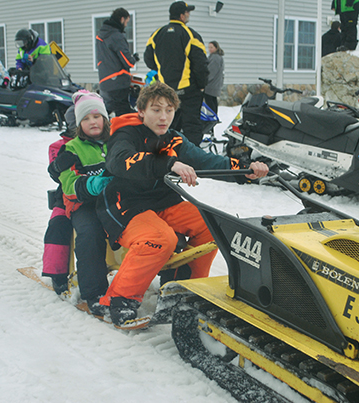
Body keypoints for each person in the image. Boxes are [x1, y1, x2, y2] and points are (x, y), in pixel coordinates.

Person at [96, 82, 269, 327]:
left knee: (213, 226)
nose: (163, 116)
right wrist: (168, 164)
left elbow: (207, 160)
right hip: (125, 204)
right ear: (142, 111)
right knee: (160, 240)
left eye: (169, 110)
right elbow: (121, 161)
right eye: (156, 110)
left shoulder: (174, 140)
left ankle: (183, 290)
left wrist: (244, 170)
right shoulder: (125, 135)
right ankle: (120, 300)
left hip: (163, 202)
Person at [56, 90, 113, 317]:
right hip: (84, 205)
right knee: (90, 234)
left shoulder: (116, 142)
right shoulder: (71, 149)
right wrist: (91, 185)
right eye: (86, 119)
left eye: (97, 116)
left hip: (116, 200)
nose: (93, 122)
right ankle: (95, 293)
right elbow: (68, 184)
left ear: (105, 119)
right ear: (79, 124)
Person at [144, 1, 209, 147]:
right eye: (187, 12)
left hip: (165, 90)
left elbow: (148, 59)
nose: (188, 15)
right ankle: (191, 159)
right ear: (182, 15)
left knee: (167, 124)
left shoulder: (156, 35)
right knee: (191, 126)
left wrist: (162, 69)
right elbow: (201, 63)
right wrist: (201, 85)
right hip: (189, 90)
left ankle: (167, 156)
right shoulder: (190, 34)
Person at [42, 106, 77, 295]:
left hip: (100, 195)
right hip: (66, 196)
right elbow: (56, 174)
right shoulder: (58, 146)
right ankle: (57, 273)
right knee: (58, 225)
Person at [95, 7, 139, 116]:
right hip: (118, 82)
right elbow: (128, 62)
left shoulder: (101, 35)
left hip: (105, 82)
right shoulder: (116, 36)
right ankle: (122, 132)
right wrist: (134, 58)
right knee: (124, 113)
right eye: (126, 22)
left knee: (106, 112)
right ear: (122, 19)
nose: (126, 25)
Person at [204, 41, 224, 117]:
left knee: (210, 104)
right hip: (214, 85)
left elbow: (211, 72)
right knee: (213, 101)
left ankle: (212, 118)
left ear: (216, 48)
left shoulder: (215, 58)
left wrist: (204, 81)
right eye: (209, 47)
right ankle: (214, 116)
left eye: (211, 47)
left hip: (211, 85)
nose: (210, 49)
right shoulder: (216, 56)